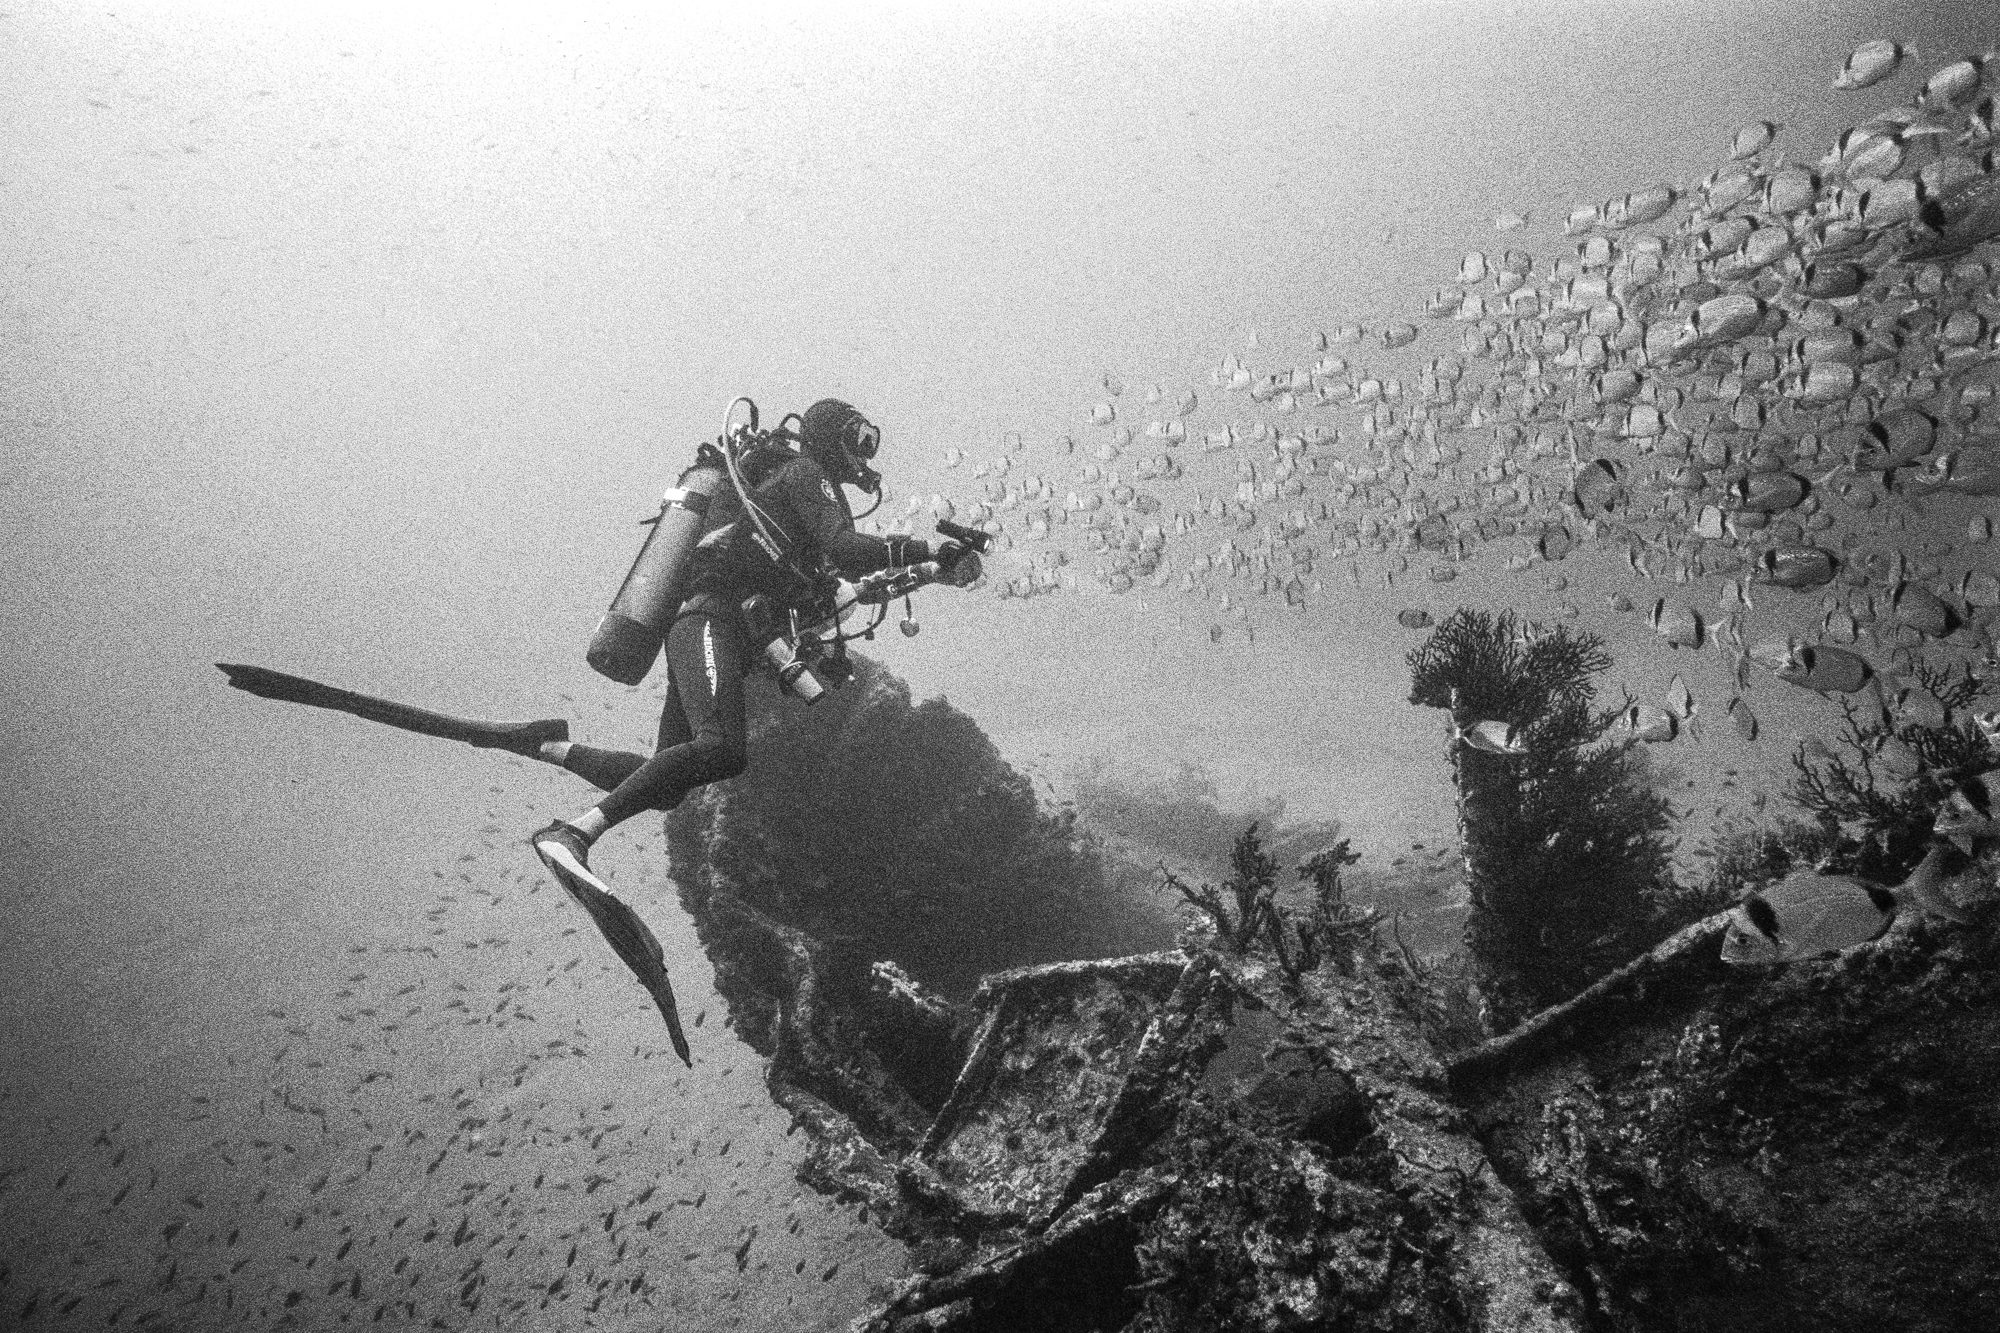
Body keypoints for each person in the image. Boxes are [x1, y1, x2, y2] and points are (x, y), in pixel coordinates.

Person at [526, 398, 973, 896]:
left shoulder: (809, 499)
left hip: (718, 630)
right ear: (832, 437)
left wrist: (935, 572)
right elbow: (846, 550)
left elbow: (850, 579)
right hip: (710, 619)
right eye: (860, 436)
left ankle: (544, 744)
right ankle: (572, 835)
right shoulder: (807, 473)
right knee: (722, 749)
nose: (866, 452)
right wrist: (929, 548)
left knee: (669, 781)